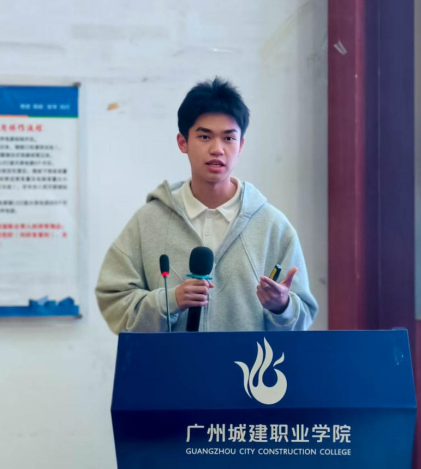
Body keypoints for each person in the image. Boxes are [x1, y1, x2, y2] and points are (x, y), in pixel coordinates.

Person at [95, 77, 318, 332]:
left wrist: (282, 306)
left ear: (241, 145)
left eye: (228, 138)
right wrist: (170, 301)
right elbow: (114, 299)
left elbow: (303, 317)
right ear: (183, 142)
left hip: (246, 360)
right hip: (171, 360)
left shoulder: (272, 226)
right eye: (204, 136)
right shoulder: (148, 222)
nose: (217, 149)